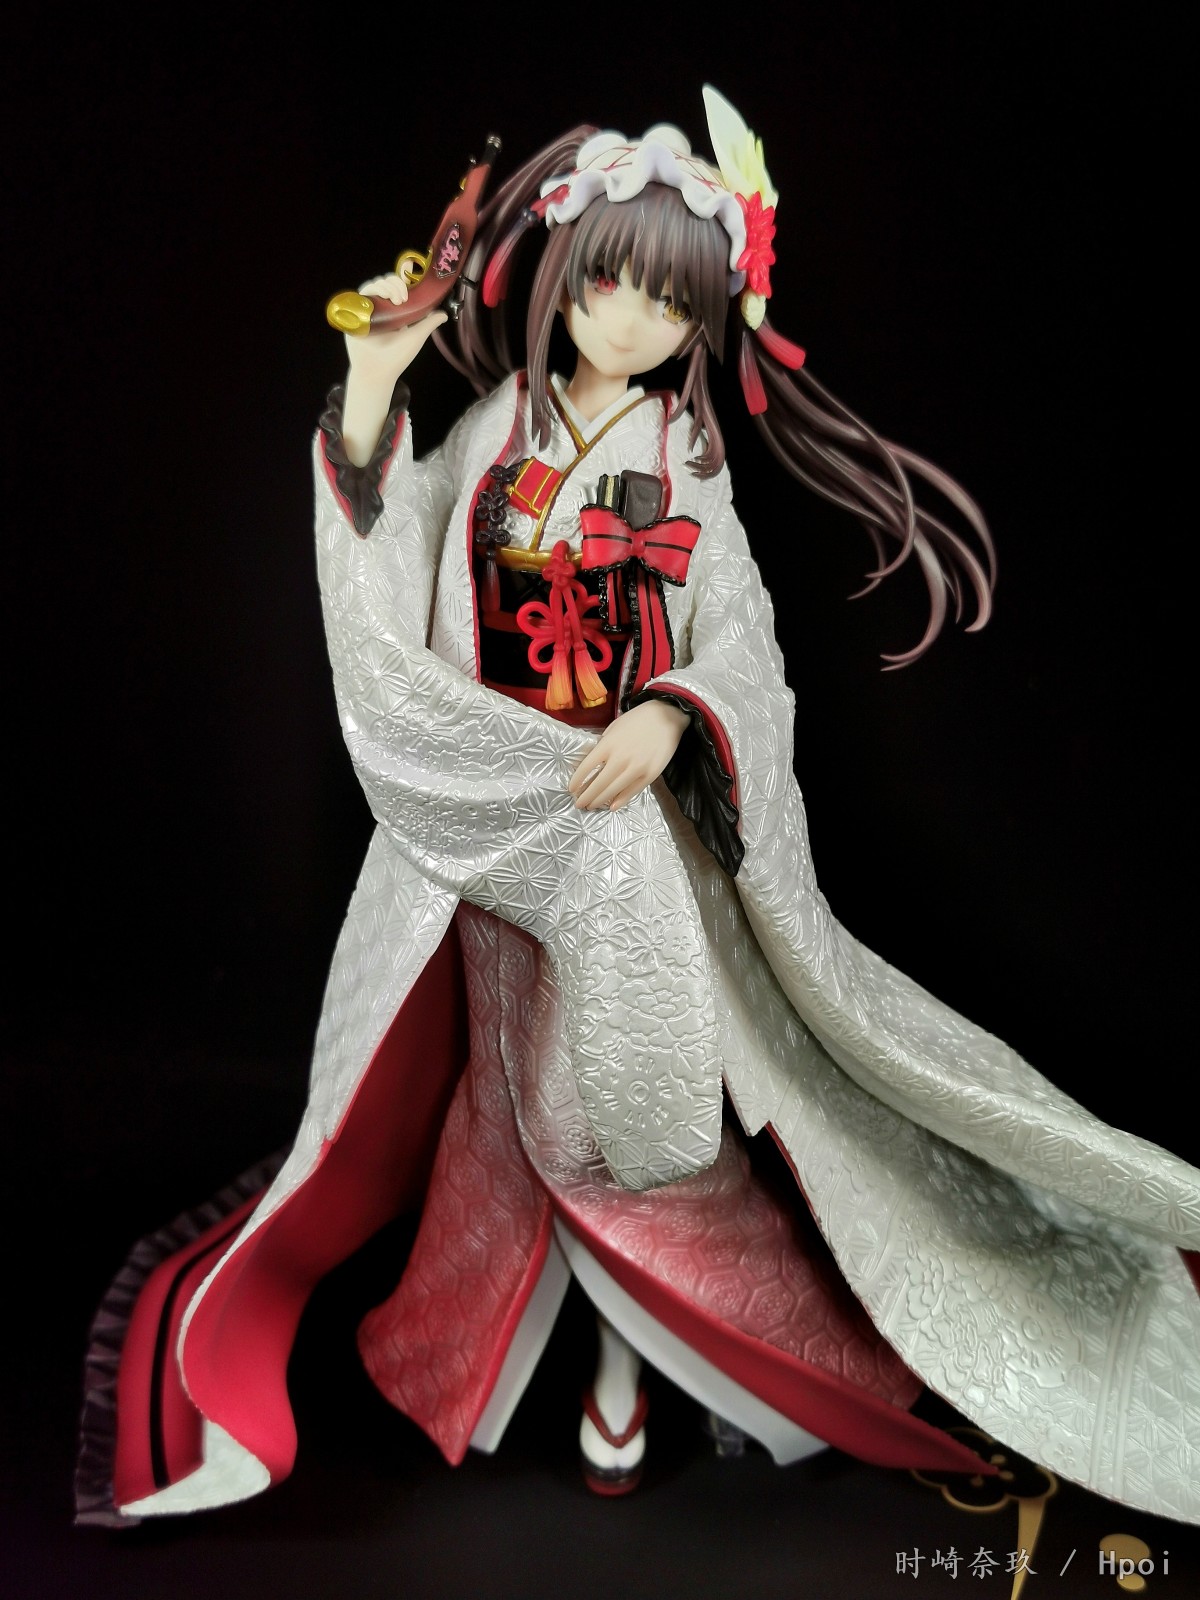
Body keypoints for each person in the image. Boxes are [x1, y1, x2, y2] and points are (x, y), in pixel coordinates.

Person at [77, 89, 1200, 1528]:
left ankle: (653, 1356)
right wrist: (368, 389)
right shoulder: (490, 431)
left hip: (629, 832)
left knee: (617, 1117)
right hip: (498, 815)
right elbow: (384, 560)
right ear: (560, 276)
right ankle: (587, 1355)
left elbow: (743, 639)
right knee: (511, 1116)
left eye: (672, 305)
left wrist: (671, 712)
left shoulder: (688, 462)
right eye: (610, 284)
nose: (633, 322)